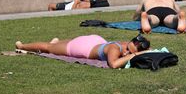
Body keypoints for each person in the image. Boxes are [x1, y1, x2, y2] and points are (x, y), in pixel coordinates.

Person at [15, 34, 151, 69]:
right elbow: (114, 64)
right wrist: (135, 55)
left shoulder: (126, 43)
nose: (127, 53)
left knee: (62, 44)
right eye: (128, 50)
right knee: (48, 48)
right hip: (85, 47)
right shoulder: (115, 48)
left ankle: (56, 42)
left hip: (94, 42)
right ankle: (22, 46)